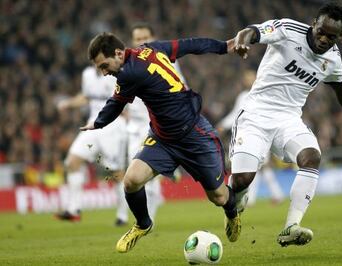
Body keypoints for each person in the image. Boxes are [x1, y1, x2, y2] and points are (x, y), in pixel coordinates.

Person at [81, 32, 240, 253]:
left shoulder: (129, 74)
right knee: (131, 180)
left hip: (194, 135)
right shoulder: (151, 48)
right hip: (163, 139)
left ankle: (232, 211)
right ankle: (143, 224)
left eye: (104, 66)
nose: (104, 72)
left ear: (118, 53)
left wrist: (97, 123)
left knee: (219, 197)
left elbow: (116, 103)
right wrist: (223, 46)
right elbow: (189, 44)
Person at [229, 2, 342, 247]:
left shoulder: (333, 59)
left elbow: (341, 87)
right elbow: (253, 31)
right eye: (321, 32)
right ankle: (234, 208)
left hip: (288, 119)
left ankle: (291, 226)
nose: (325, 39)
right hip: (255, 114)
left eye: (332, 36)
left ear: (341, 36)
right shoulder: (287, 30)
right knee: (242, 180)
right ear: (313, 24)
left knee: (312, 156)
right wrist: (242, 40)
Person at [126, 22, 186, 220]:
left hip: (158, 125)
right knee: (133, 173)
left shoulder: (167, 60)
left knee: (142, 171)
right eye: (138, 39)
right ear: (133, 42)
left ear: (154, 38)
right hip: (134, 127)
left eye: (146, 38)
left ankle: (147, 219)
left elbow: (182, 89)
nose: (142, 42)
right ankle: (165, 172)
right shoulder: (126, 64)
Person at [55, 66, 128, 226]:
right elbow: (86, 97)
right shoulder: (87, 74)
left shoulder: (116, 74)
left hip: (113, 126)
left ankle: (122, 215)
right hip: (93, 125)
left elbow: (128, 97)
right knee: (72, 162)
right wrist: (68, 103)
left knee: (117, 173)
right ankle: (74, 210)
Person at [217, 69, 284, 207]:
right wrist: (223, 125)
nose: (247, 80)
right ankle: (273, 195)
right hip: (257, 133)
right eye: (246, 78)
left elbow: (236, 114)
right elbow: (236, 114)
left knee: (259, 166)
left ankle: (256, 198)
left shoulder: (257, 94)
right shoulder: (247, 95)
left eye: (250, 78)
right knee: (260, 167)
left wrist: (223, 125)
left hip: (259, 133)